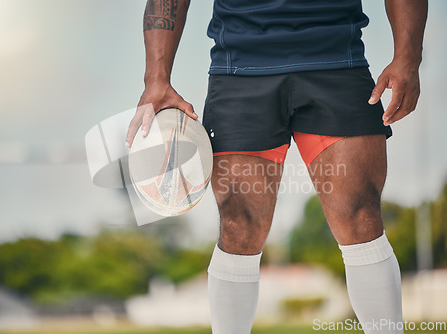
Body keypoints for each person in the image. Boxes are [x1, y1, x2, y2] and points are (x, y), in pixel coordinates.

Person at [125, 0, 428, 333]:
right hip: (239, 65)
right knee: (238, 225)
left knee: (361, 216)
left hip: (337, 57)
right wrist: (156, 78)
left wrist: (408, 57)